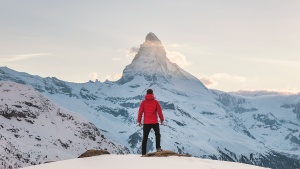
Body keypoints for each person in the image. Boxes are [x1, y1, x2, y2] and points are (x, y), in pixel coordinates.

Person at [138, 89, 164, 155]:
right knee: (157, 135)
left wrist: (139, 121)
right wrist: (162, 120)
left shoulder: (143, 102)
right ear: (152, 94)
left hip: (146, 123)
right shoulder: (156, 102)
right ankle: (158, 148)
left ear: (146, 94)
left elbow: (140, 112)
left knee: (145, 138)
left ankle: (143, 153)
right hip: (155, 122)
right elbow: (160, 112)